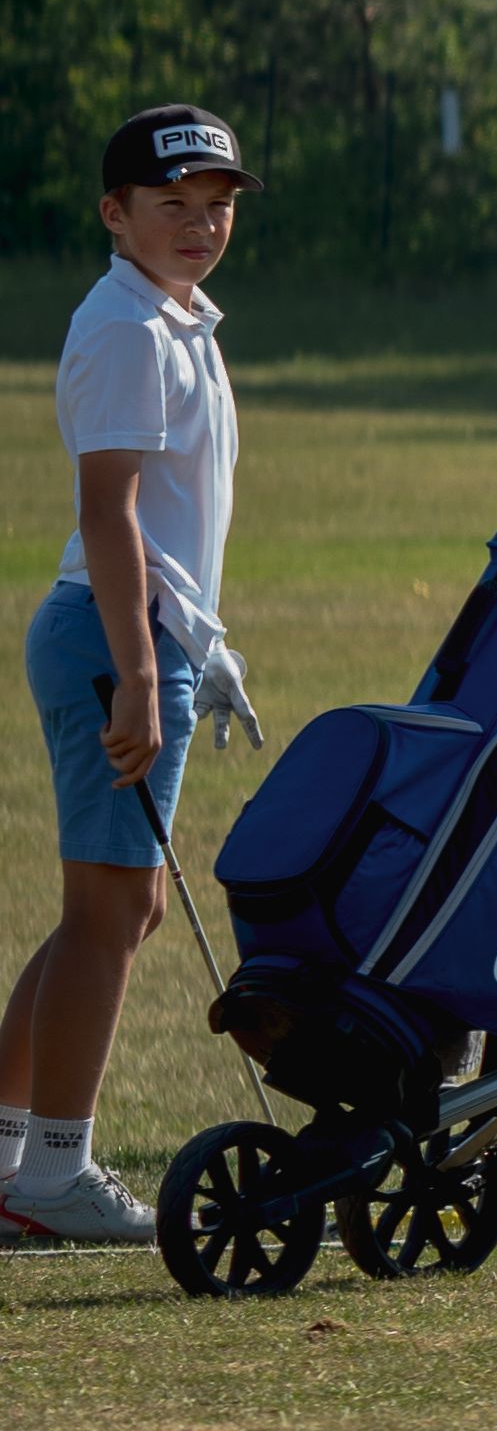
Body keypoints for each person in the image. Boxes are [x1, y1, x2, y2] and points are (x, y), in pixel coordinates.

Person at [6, 106, 260, 1245]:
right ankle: (55, 1177)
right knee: (105, 912)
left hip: (139, 637)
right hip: (109, 639)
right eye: (173, 205)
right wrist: (142, 670)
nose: (200, 224)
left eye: (217, 205)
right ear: (116, 214)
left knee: (123, 908)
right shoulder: (126, 330)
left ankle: (14, 1153)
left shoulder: (179, 318)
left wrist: (186, 648)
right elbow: (105, 516)